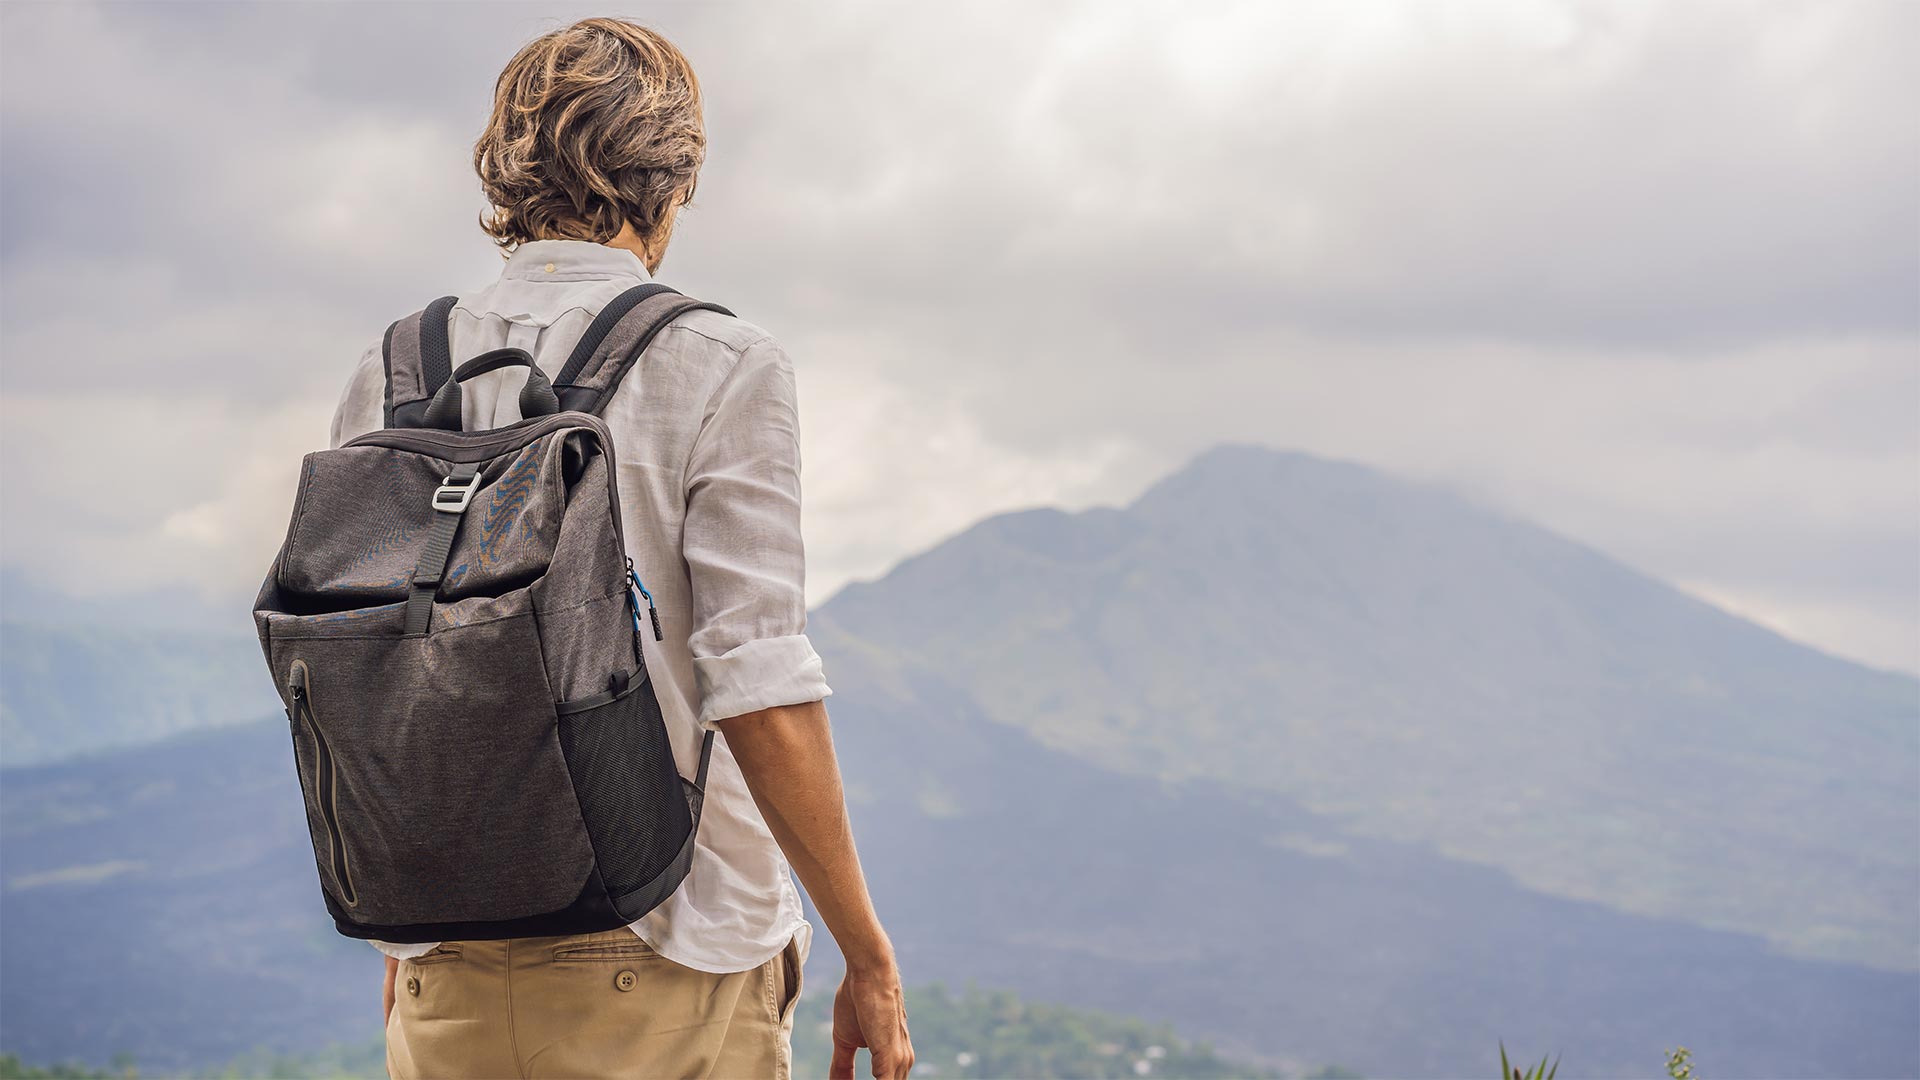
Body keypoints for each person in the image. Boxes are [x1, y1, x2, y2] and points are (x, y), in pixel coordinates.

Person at [325, 18, 913, 1080]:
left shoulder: (394, 368)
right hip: (666, 954)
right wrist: (867, 955)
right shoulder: (720, 362)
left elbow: (366, 659)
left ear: (505, 164)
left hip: (440, 963)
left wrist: (407, 939)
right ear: (675, 179)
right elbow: (758, 685)